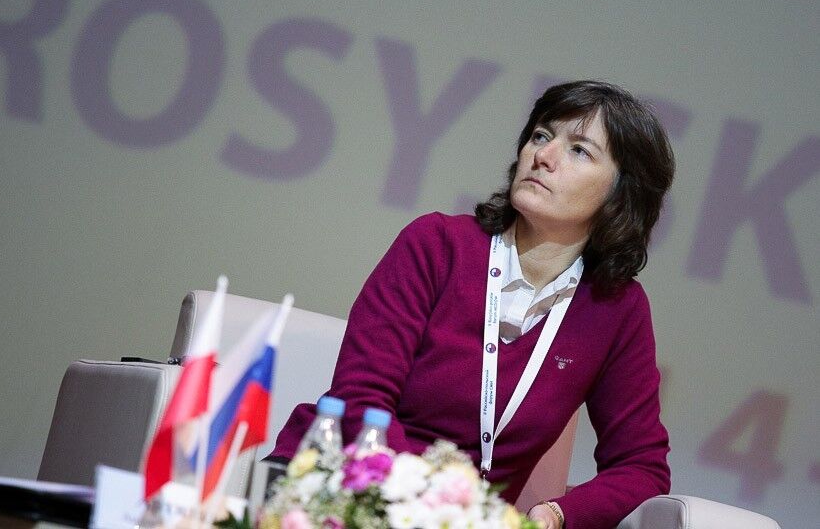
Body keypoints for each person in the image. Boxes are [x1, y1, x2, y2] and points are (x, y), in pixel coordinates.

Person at [270, 80, 674, 529]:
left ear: (621, 194)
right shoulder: (437, 245)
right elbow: (362, 397)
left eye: (579, 150)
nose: (543, 155)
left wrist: (556, 513)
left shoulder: (616, 309)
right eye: (541, 135)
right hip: (341, 486)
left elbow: (642, 466)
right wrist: (426, 504)